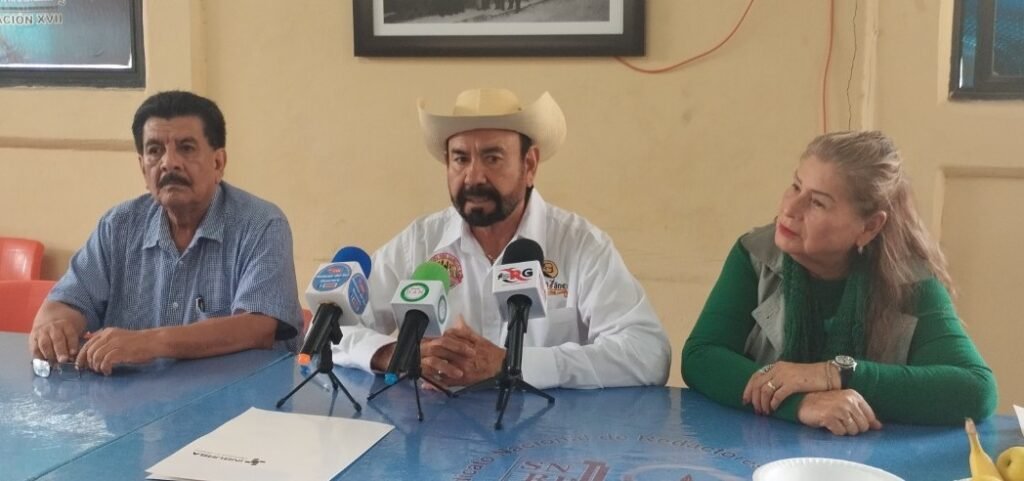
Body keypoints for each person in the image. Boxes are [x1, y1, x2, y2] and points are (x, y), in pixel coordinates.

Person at [334, 88, 670, 390]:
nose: (474, 177)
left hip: (548, 433)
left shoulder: (580, 244)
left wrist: (514, 363)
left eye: (492, 158)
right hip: (434, 430)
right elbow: (330, 331)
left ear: (529, 165)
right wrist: (395, 353)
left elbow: (648, 353)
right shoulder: (419, 243)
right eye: (460, 159)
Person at [682, 131, 997, 435]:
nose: (789, 209)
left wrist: (834, 373)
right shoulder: (755, 255)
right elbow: (701, 356)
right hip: (754, 449)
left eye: (818, 203)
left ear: (869, 227)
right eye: (795, 186)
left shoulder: (910, 282)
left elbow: (976, 390)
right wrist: (801, 403)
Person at [28, 91, 302, 375]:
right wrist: (54, 329)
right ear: (142, 167)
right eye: (155, 150)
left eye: (186, 148)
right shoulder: (118, 226)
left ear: (218, 163)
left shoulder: (261, 224)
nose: (169, 163)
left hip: (237, 396)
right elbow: (65, 303)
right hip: (132, 396)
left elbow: (257, 328)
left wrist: (151, 342)